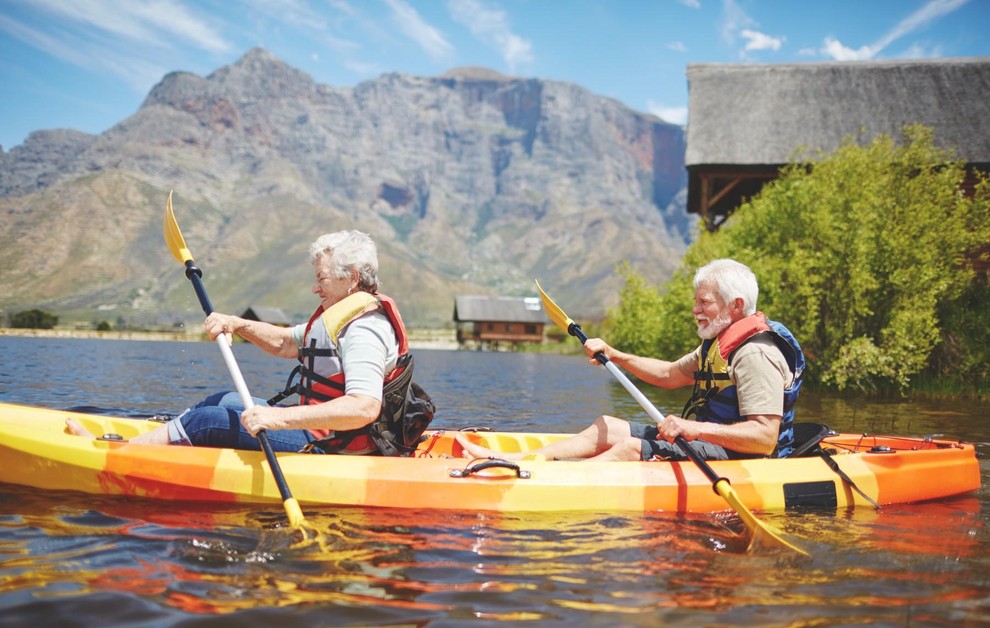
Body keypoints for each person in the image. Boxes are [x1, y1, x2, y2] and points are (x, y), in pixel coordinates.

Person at [67, 230, 416, 456]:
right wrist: (236, 323)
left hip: (333, 446)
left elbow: (363, 408)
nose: (315, 288)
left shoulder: (364, 329)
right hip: (319, 431)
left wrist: (276, 420)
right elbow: (284, 343)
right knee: (225, 400)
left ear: (351, 278)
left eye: (321, 278)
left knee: (208, 422)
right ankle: (162, 442)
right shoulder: (336, 315)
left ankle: (119, 454)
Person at [458, 258, 804, 462]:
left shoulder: (756, 353)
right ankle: (520, 460)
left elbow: (764, 437)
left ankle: (546, 482)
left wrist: (692, 428)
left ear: (737, 306)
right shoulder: (716, 344)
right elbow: (669, 374)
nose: (695, 310)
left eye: (705, 302)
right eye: (696, 301)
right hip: (710, 442)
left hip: (750, 460)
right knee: (607, 424)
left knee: (627, 447)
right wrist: (616, 355)